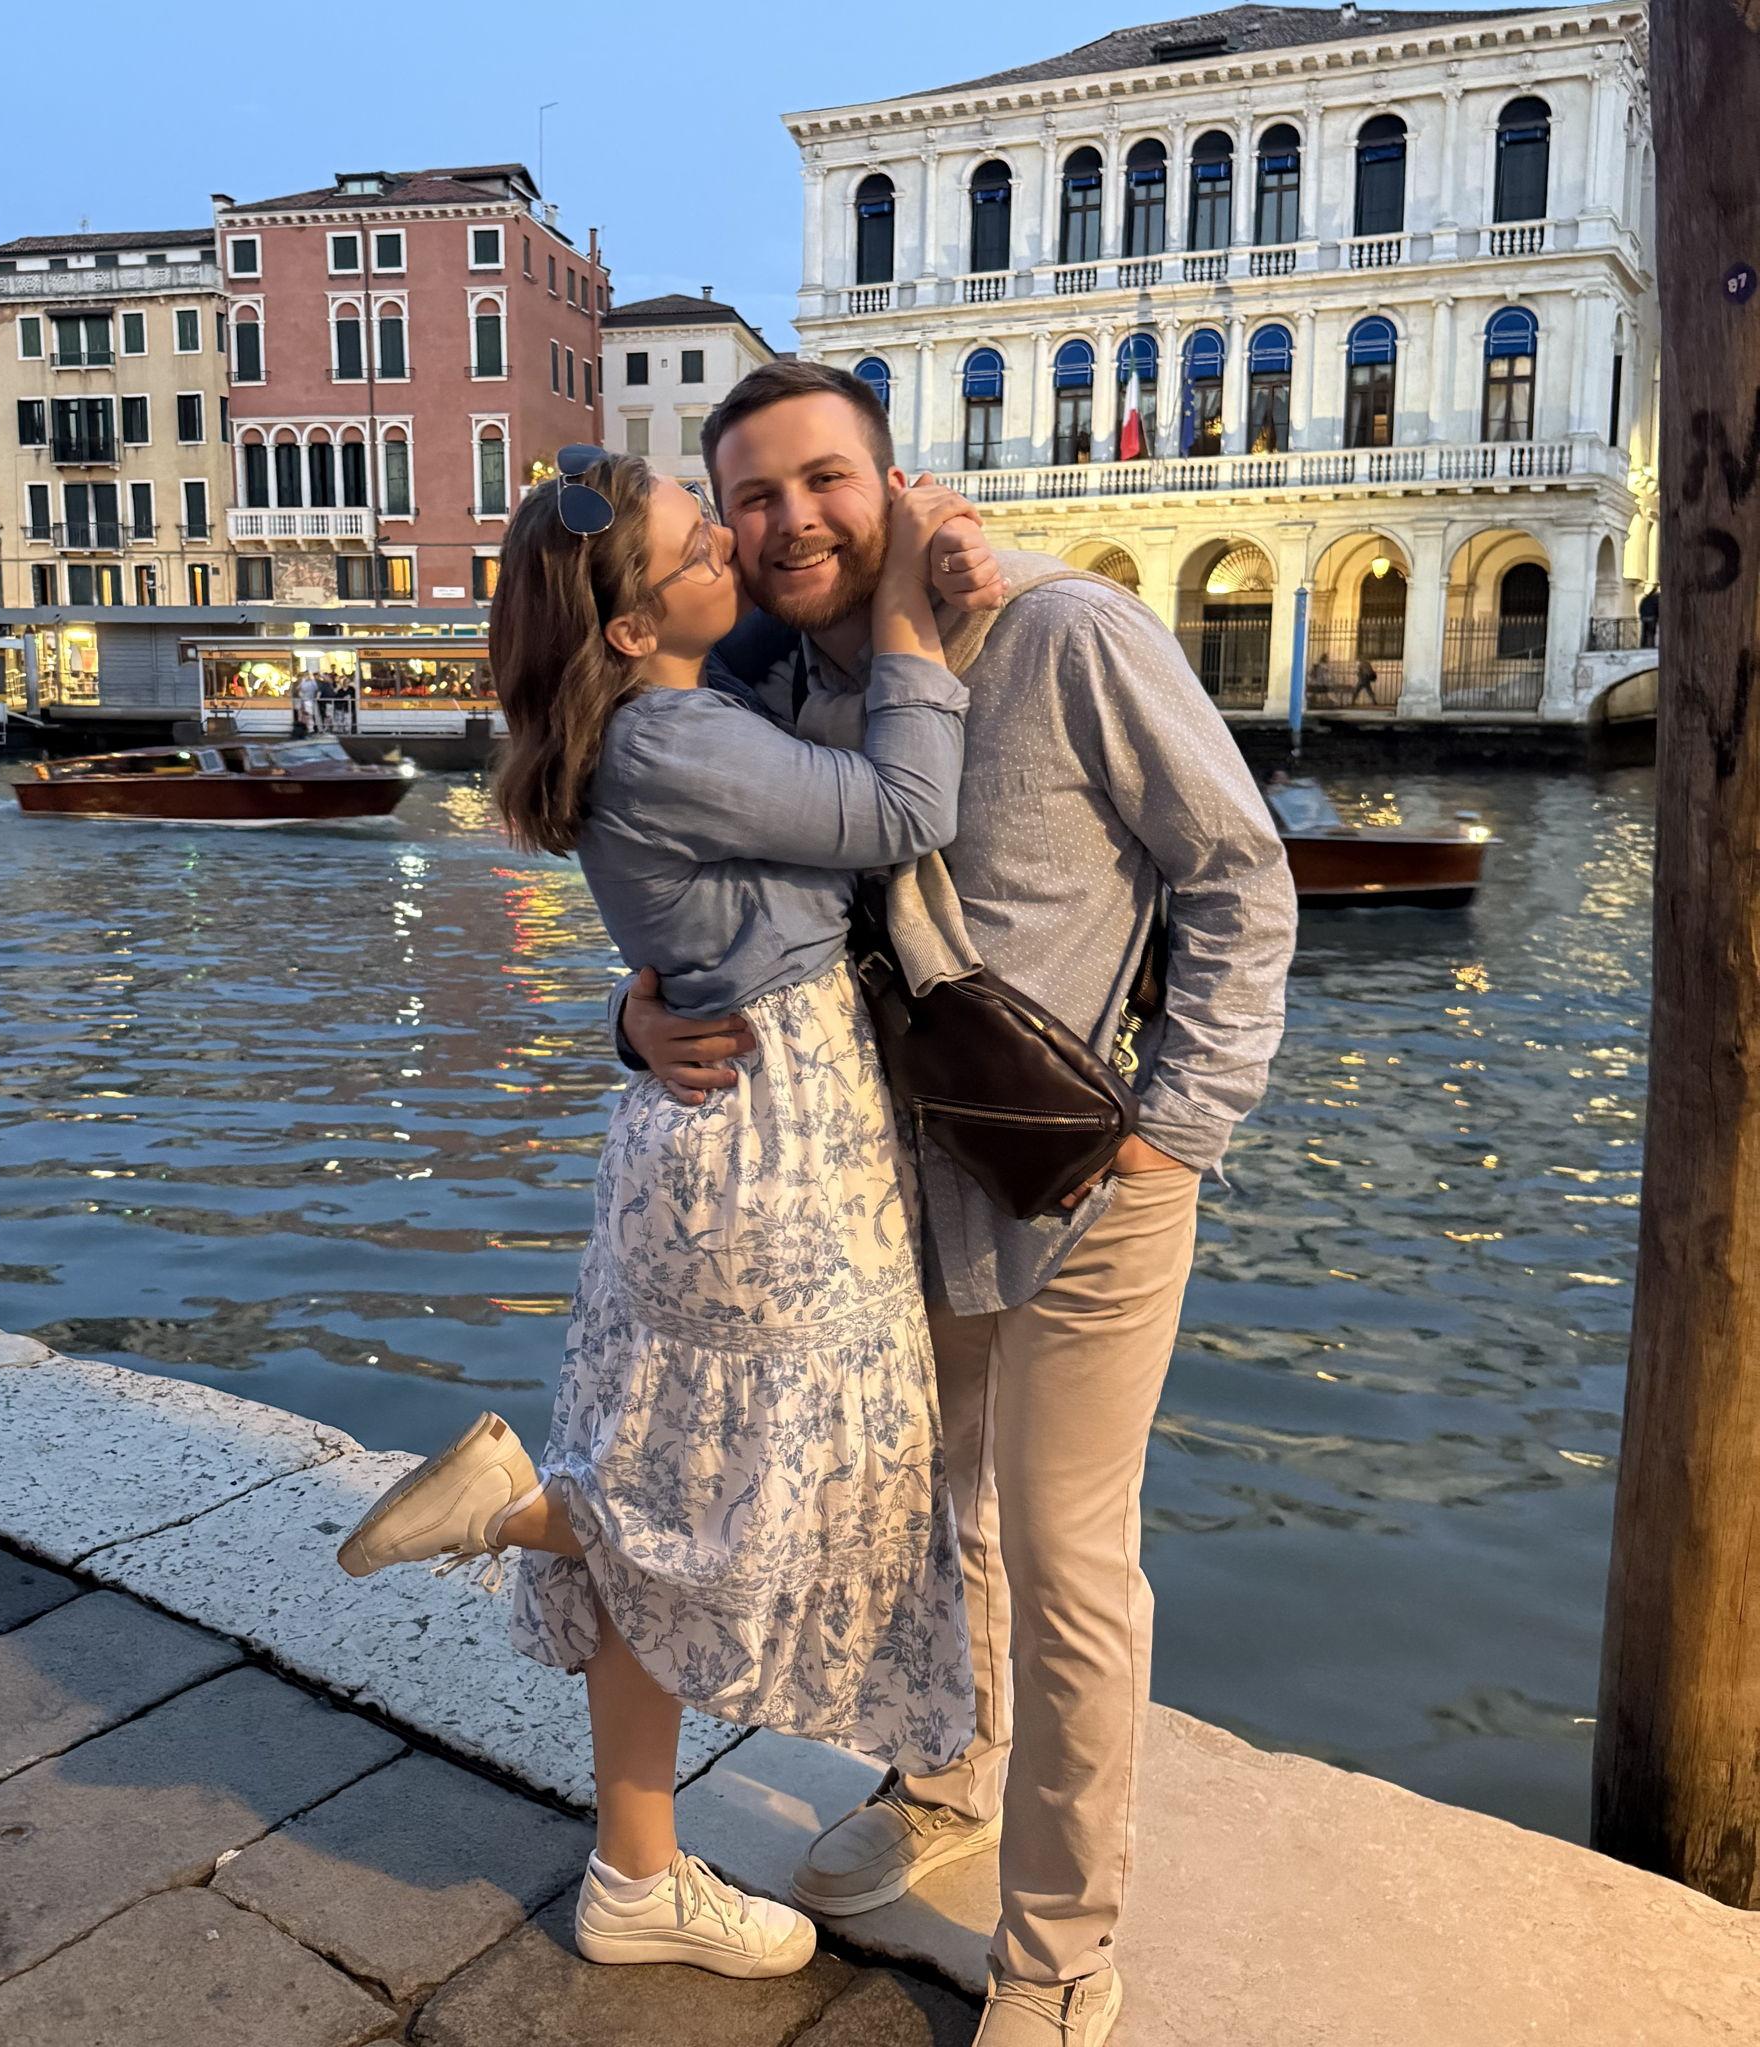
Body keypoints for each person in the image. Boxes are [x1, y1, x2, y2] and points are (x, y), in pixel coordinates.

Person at [621, 362, 1297, 2046]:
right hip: (888, 1190)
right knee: (940, 1520)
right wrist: (626, 1018)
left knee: (1071, 1561)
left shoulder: (1064, 635)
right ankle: (948, 1778)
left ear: (897, 481)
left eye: (825, 479)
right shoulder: (766, 690)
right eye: (753, 495)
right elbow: (698, 897)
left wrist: (1180, 1129)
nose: (792, 521)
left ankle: (1062, 1953)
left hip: (1087, 1183)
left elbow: (1240, 875)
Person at [336, 451, 1000, 1981]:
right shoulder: (672, 736)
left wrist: (621, 1023)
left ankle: (637, 1876)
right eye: (705, 544)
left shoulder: (642, 722)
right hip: (775, 1144)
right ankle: (513, 1513)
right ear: (633, 627)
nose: (735, 555)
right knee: (758, 1485)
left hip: (701, 1134)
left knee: (679, 1487)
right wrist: (903, 610)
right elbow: (906, 803)